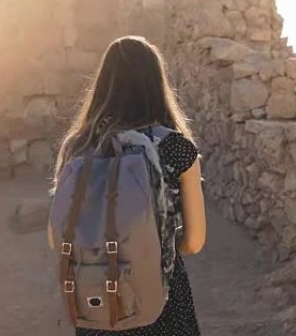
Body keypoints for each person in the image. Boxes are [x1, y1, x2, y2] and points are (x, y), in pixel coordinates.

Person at [52, 35, 207, 336]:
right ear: (156, 84)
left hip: (98, 299)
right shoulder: (177, 148)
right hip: (161, 297)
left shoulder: (79, 147)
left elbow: (56, 234)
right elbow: (194, 241)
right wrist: (147, 245)